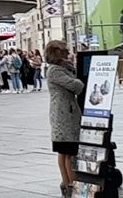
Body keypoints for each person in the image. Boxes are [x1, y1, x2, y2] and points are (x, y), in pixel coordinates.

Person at [46, 40, 83, 198]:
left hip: (65, 113)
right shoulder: (55, 71)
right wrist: (79, 81)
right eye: (65, 52)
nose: (68, 54)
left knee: (64, 151)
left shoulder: (61, 68)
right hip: (64, 115)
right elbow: (75, 85)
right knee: (68, 151)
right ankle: (72, 185)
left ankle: (67, 184)